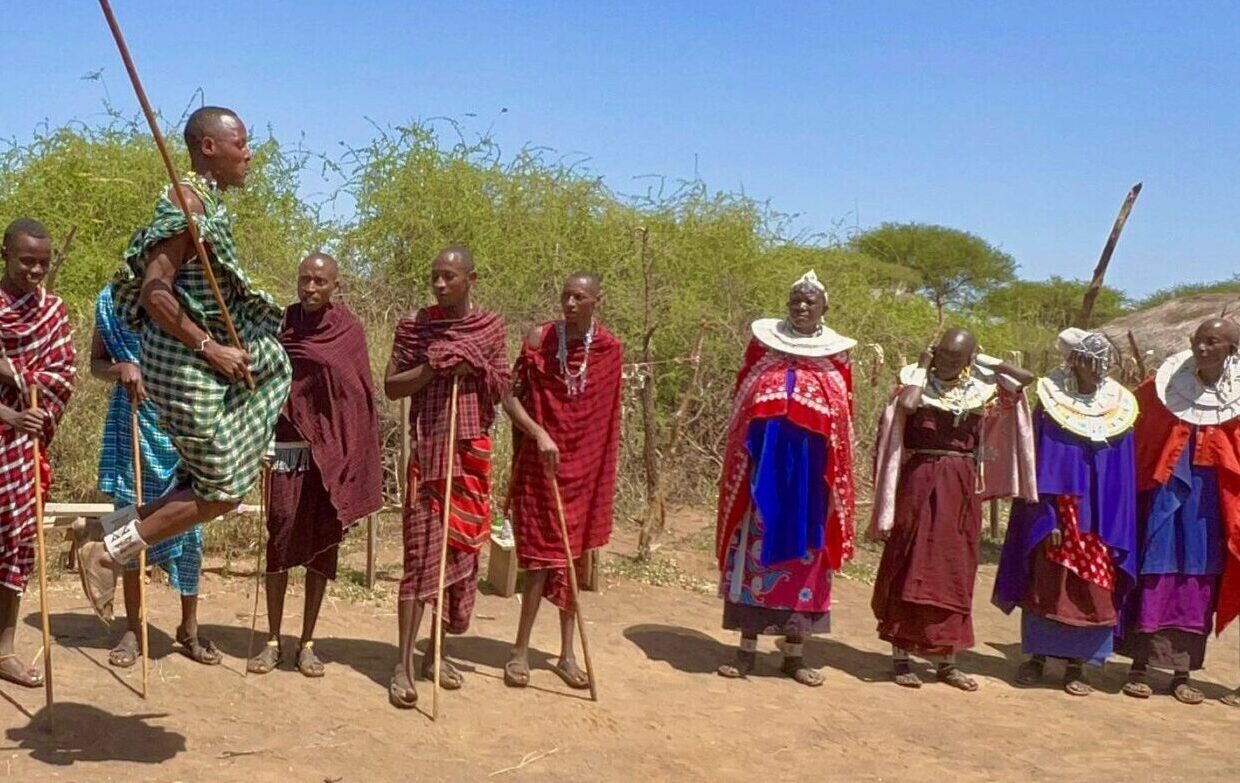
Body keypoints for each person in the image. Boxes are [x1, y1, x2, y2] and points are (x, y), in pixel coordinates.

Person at [74, 107, 292, 628]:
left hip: (201, 368)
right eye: (241, 142)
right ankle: (107, 550)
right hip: (182, 367)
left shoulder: (208, 205)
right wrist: (208, 347)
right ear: (209, 147)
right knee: (220, 492)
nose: (249, 153)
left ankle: (111, 535)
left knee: (212, 488)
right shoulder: (187, 203)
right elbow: (154, 293)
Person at [869, 328, 1036, 691]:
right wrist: (923, 367)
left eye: (955, 357)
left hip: (961, 488)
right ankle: (901, 656)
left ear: (969, 359)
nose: (947, 361)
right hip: (919, 482)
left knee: (954, 567)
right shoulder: (914, 384)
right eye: (942, 354)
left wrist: (986, 361)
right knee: (909, 559)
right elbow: (910, 405)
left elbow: (1025, 380)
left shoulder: (978, 390)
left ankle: (947, 660)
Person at [714, 270, 857, 687]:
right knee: (754, 555)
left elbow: (843, 422)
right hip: (762, 478)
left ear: (824, 309)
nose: (801, 306)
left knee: (806, 560)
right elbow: (742, 407)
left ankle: (794, 655)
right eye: (796, 299)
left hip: (812, 484)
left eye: (810, 301)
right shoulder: (763, 355)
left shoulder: (836, 364)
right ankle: (746, 650)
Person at [384, 246, 511, 708]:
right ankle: (401, 664)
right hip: (429, 462)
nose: (439, 285)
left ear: (471, 279)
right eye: (434, 276)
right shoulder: (416, 329)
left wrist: (472, 364)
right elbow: (392, 385)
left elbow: (502, 383)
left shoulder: (489, 329)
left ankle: (435, 653)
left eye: (449, 277)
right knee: (420, 562)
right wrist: (433, 366)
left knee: (459, 560)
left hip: (470, 457)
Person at [246, 253, 383, 677]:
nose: (310, 288)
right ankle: (271, 640)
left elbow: (357, 396)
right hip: (289, 446)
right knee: (281, 531)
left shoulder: (348, 331)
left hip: (331, 455)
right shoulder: (280, 324)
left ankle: (307, 642)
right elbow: (263, 378)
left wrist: (346, 452)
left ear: (334, 287)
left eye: (319, 282)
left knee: (323, 544)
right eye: (304, 279)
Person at [992, 328, 1137, 696]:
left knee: (1093, 588)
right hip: (1058, 515)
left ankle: (1078, 666)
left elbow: (1122, 473)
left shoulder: (1120, 409)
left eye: (1099, 363)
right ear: (1074, 361)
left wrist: (1112, 522)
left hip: (1100, 518)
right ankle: (1038, 658)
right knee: (1047, 586)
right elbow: (1038, 463)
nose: (1093, 369)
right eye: (1087, 361)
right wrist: (1048, 516)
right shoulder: (1052, 406)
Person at [502, 273, 623, 690]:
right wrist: (538, 433)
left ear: (596, 301)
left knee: (573, 561)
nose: (570, 304)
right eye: (566, 296)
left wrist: (594, 467)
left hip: (584, 470)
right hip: (542, 465)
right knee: (537, 562)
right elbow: (508, 397)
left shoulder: (608, 351)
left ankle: (567, 655)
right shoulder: (540, 340)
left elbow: (607, 423)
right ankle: (519, 652)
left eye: (579, 298)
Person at [91, 283, 217, 666]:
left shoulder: (186, 295)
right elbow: (96, 363)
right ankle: (132, 628)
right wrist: (122, 368)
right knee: (132, 520)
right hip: (133, 421)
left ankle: (189, 628)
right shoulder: (111, 301)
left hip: (184, 421)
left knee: (190, 528)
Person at [1119, 318, 1240, 705]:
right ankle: (1139, 666)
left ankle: (1182, 673)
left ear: (1231, 350)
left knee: (1199, 581)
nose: (1202, 348)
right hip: (1164, 493)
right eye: (1198, 341)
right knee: (1155, 569)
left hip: (1211, 504)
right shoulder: (1161, 389)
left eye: (1213, 342)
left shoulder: (1236, 400)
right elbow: (1130, 424)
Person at [0, 218, 75, 688]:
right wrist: (8, 416)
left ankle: (3, 650)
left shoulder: (52, 312)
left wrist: (19, 379)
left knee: (16, 541)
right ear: (5, 255)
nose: (36, 271)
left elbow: (63, 374)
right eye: (27, 261)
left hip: (24, 451)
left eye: (43, 263)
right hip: (9, 428)